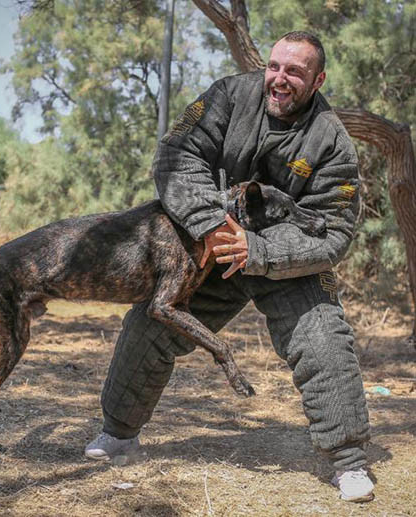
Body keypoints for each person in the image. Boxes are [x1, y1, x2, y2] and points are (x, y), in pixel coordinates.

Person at [85, 31, 374, 503]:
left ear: (318, 79)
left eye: (295, 72)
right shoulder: (228, 95)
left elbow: (333, 233)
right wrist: (211, 225)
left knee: (323, 337)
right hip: (211, 247)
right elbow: (177, 156)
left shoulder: (333, 142)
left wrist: (257, 249)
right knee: (151, 323)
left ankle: (348, 463)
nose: (280, 79)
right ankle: (118, 433)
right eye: (275, 67)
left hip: (284, 262)